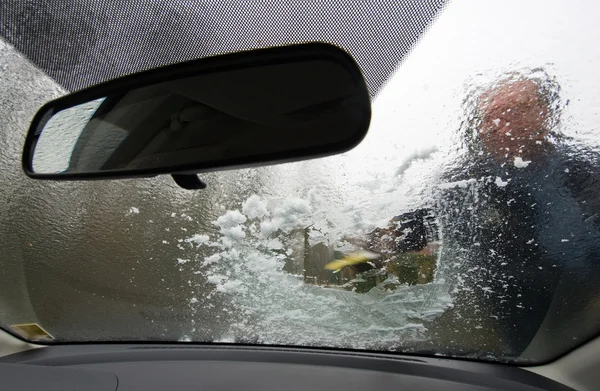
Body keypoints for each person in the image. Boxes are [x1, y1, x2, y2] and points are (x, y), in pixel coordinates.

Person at [346, 71, 600, 358]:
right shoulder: (466, 182)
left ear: (546, 114)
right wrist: (373, 244)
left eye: (516, 110)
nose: (500, 126)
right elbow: (428, 221)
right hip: (525, 328)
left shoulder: (586, 172)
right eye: (489, 117)